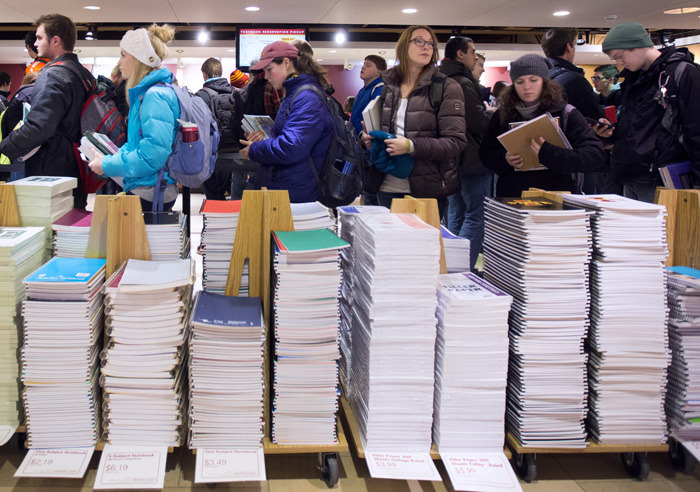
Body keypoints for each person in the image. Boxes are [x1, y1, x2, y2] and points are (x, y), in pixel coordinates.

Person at [362, 25, 467, 214]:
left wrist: (411, 146)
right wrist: (370, 139)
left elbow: (455, 142)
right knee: (388, 243)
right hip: (386, 184)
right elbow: (385, 132)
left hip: (426, 189)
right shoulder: (389, 86)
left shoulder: (447, 87)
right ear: (404, 46)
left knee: (424, 243)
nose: (426, 47)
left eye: (430, 43)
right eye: (419, 41)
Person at [595, 22, 700, 202]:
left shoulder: (682, 73)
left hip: (665, 180)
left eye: (620, 56)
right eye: (614, 59)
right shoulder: (632, 79)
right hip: (631, 177)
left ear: (637, 45)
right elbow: (636, 126)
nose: (619, 63)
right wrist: (611, 133)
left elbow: (696, 129)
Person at [0, 14, 95, 209]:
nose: (35, 43)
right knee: (70, 225)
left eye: (39, 38)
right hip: (77, 163)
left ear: (56, 41)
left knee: (49, 228)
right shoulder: (83, 74)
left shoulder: (53, 75)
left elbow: (39, 126)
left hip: (51, 167)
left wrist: (5, 146)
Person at [480, 54, 606, 197]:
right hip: (513, 196)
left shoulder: (566, 113)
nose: (527, 87)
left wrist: (551, 153)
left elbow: (594, 155)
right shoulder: (502, 115)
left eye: (533, 80)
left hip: (556, 196)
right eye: (519, 82)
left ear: (544, 82)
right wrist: (505, 158)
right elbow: (486, 153)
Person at [87, 24, 181, 212]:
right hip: (149, 187)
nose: (119, 62)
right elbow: (137, 145)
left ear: (139, 59)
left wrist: (106, 164)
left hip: (151, 191)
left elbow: (152, 156)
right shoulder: (146, 94)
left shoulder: (154, 96)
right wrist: (110, 158)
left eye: (123, 55)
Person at [238, 41, 334, 203]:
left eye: (269, 70)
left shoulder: (306, 98)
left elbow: (291, 148)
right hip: (288, 187)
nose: (266, 77)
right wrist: (266, 139)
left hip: (295, 193)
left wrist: (254, 149)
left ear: (287, 63)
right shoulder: (297, 94)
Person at [440, 36, 493, 271]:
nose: (475, 57)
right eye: (473, 52)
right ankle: (462, 269)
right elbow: (477, 121)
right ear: (460, 54)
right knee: (476, 215)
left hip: (450, 159)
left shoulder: (441, 79)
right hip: (471, 158)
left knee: (456, 212)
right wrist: (493, 114)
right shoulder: (463, 81)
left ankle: (453, 267)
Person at [195, 57, 237, 201]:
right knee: (222, 188)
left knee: (212, 193)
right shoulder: (234, 93)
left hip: (210, 151)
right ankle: (223, 221)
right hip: (231, 150)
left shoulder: (201, 96)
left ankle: (213, 221)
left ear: (204, 74)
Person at [542, 28, 604, 121]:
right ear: (568, 47)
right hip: (573, 134)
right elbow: (594, 115)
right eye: (574, 45)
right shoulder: (575, 80)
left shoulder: (537, 78)